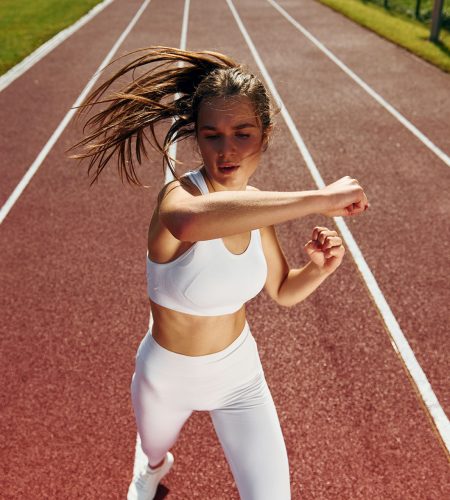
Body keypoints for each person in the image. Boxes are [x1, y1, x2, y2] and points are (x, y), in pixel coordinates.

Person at [72, 46, 369, 500]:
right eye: (211, 135)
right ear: (196, 136)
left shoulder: (256, 210)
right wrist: (321, 197)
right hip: (165, 377)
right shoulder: (178, 197)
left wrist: (319, 269)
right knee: (154, 452)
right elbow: (190, 222)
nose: (226, 150)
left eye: (242, 133)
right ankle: (151, 467)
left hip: (239, 377)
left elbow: (283, 290)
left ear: (265, 135)